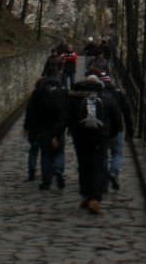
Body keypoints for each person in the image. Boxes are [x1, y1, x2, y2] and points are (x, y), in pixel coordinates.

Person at [68, 73, 123, 214]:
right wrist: (112, 133)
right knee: (98, 165)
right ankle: (95, 198)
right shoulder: (106, 96)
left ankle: (86, 194)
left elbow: (67, 115)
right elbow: (117, 118)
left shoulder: (75, 96)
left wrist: (70, 130)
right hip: (100, 137)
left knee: (84, 165)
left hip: (80, 137)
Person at [23, 74, 68, 190]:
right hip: (58, 129)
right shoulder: (62, 93)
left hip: (43, 129)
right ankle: (58, 170)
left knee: (45, 155)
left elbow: (30, 112)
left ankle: (46, 182)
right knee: (59, 152)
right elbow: (65, 113)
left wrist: (28, 127)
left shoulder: (37, 94)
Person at [92, 68, 133, 191]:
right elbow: (127, 112)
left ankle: (104, 180)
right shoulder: (119, 93)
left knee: (103, 155)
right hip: (117, 127)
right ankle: (114, 172)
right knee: (116, 153)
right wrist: (130, 131)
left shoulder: (99, 94)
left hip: (102, 129)